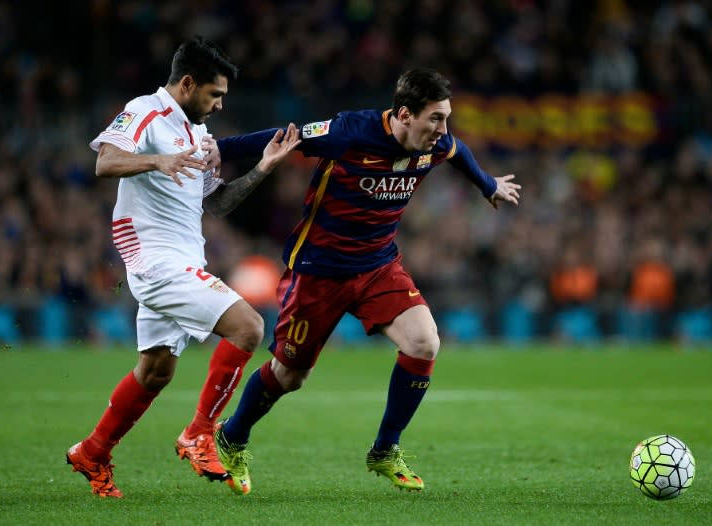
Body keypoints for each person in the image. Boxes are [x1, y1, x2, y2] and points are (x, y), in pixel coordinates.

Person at [210, 67, 521, 494]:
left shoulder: (437, 142)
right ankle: (232, 435)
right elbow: (285, 135)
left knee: (424, 342)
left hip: (378, 266)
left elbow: (459, 151)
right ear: (405, 114)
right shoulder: (349, 131)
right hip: (318, 271)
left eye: (446, 117)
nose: (443, 129)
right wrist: (219, 149)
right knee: (289, 375)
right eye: (435, 118)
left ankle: (385, 449)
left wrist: (487, 186)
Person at [66, 36, 301, 498]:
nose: (217, 105)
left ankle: (92, 452)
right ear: (188, 83)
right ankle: (199, 432)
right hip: (154, 260)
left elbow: (217, 203)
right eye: (214, 95)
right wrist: (157, 159)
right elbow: (105, 161)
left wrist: (263, 168)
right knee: (249, 328)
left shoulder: (199, 134)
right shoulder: (147, 111)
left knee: (155, 371)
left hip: (184, 258)